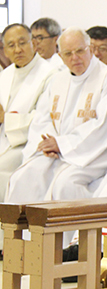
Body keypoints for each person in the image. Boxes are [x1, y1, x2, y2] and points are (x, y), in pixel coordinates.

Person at [6, 26, 107, 207]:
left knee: (64, 184)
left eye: (80, 51)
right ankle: (23, 235)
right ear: (60, 56)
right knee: (22, 177)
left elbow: (104, 126)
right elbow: (43, 119)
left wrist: (63, 144)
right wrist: (48, 144)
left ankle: (71, 236)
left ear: (90, 50)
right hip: (57, 152)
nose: (75, 58)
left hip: (97, 152)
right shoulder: (58, 80)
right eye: (68, 53)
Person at [0, 24, 55, 201]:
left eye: (22, 42)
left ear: (33, 44)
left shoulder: (50, 74)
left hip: (27, 144)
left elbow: (45, 119)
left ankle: (6, 227)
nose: (17, 50)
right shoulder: (5, 75)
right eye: (11, 45)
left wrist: (6, 119)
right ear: (5, 51)